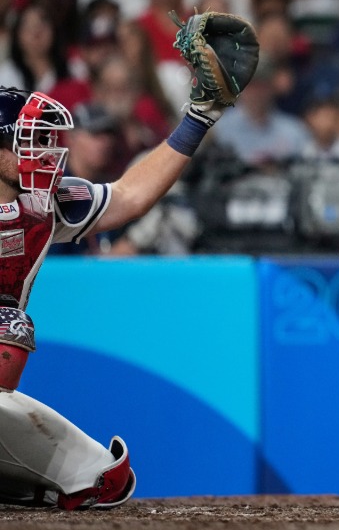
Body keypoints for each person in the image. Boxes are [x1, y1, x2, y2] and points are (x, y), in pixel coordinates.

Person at [0, 69, 241, 505]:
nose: (44, 152)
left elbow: (130, 195)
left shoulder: (40, 206)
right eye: (28, 141)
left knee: (101, 477)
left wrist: (198, 118)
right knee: (6, 330)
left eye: (44, 140)